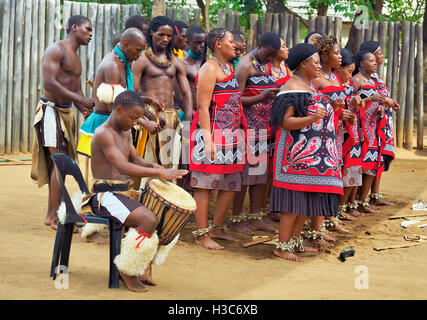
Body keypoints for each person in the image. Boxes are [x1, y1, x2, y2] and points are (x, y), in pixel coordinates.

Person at [88, 90, 187, 292]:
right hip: (104, 196)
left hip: (122, 194)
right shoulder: (103, 134)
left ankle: (141, 268)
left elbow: (136, 160)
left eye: (138, 118)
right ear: (119, 109)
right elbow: (123, 166)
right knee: (148, 219)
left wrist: (158, 168)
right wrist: (160, 174)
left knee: (161, 215)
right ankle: (127, 270)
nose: (135, 122)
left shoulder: (124, 131)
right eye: (133, 118)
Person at [76, 28, 166, 244]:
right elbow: (116, 105)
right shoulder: (113, 66)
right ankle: (91, 229)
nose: (140, 54)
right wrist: (144, 121)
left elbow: (126, 99)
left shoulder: (123, 61)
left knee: (115, 177)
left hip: (116, 126)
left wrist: (146, 104)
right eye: (138, 49)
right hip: (101, 125)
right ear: (125, 44)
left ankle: (116, 219)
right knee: (95, 181)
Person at [270, 43, 343, 261]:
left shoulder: (308, 86)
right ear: (303, 64)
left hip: (311, 159)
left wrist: (334, 107)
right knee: (292, 204)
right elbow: (286, 122)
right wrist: (312, 118)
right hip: (295, 158)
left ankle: (294, 243)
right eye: (316, 63)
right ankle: (281, 246)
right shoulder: (292, 88)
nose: (320, 67)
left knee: (303, 204)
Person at [31, 15, 95, 230]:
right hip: (50, 111)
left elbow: (76, 89)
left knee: (61, 165)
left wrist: (84, 109)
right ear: (75, 28)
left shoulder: (76, 58)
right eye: (87, 29)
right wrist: (79, 99)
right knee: (59, 163)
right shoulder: (56, 50)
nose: (91, 33)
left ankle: (52, 215)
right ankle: (57, 216)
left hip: (66, 114)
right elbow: (49, 82)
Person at [190, 28, 247, 250]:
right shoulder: (209, 68)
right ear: (218, 44)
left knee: (230, 183)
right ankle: (201, 234)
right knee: (204, 184)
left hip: (231, 134)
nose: (235, 45)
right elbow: (203, 107)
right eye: (231, 41)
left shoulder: (229, 67)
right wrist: (208, 141)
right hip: (211, 132)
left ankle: (217, 228)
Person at [230, 32, 281, 234]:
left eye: (273, 56)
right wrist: (261, 97)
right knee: (245, 176)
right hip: (248, 127)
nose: (270, 58)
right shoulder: (244, 66)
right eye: (268, 53)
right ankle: (236, 219)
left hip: (265, 127)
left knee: (260, 174)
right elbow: (235, 99)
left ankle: (256, 217)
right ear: (259, 45)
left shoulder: (266, 64)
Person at [132, 16, 193, 172]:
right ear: (152, 33)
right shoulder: (142, 60)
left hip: (172, 117)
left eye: (169, 35)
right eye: (161, 34)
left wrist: (188, 120)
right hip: (149, 116)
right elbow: (131, 92)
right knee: (149, 162)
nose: (166, 39)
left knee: (169, 164)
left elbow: (186, 94)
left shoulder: (176, 62)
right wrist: (147, 116)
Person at [311, 35, 353, 235]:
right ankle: (317, 228)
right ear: (324, 56)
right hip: (320, 137)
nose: (340, 57)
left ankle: (330, 219)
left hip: (335, 134)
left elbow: (337, 105)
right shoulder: (316, 79)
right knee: (322, 180)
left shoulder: (335, 77)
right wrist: (336, 112)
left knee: (333, 179)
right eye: (336, 53)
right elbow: (313, 108)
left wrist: (345, 114)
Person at [352, 50, 395, 214]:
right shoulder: (356, 80)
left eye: (375, 60)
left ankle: (363, 201)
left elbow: (378, 100)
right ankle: (352, 203)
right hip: (361, 128)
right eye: (371, 61)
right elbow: (352, 104)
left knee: (372, 163)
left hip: (374, 128)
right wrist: (370, 100)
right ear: (361, 64)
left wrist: (381, 108)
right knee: (359, 164)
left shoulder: (374, 81)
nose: (375, 63)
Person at [359, 40, 400, 206]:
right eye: (379, 53)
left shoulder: (376, 77)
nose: (381, 57)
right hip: (370, 124)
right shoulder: (363, 78)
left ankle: (375, 194)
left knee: (381, 158)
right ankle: (362, 198)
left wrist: (390, 102)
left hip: (382, 121)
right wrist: (386, 101)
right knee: (371, 159)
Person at [335, 48, 365, 218]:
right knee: (344, 170)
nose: (350, 75)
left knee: (353, 169)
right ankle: (337, 210)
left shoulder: (348, 84)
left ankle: (343, 207)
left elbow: (352, 106)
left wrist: (358, 104)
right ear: (339, 68)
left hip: (352, 131)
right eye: (348, 71)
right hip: (342, 133)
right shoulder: (335, 84)